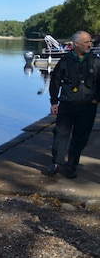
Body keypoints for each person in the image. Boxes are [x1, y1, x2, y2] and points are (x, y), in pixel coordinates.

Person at [45, 30, 100, 179]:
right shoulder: (65, 61)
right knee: (61, 134)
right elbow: (55, 82)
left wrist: (97, 99)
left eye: (90, 41)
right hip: (67, 105)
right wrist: (54, 101)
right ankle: (56, 162)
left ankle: (72, 166)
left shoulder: (95, 60)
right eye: (86, 42)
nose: (90, 44)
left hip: (88, 106)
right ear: (76, 44)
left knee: (80, 137)